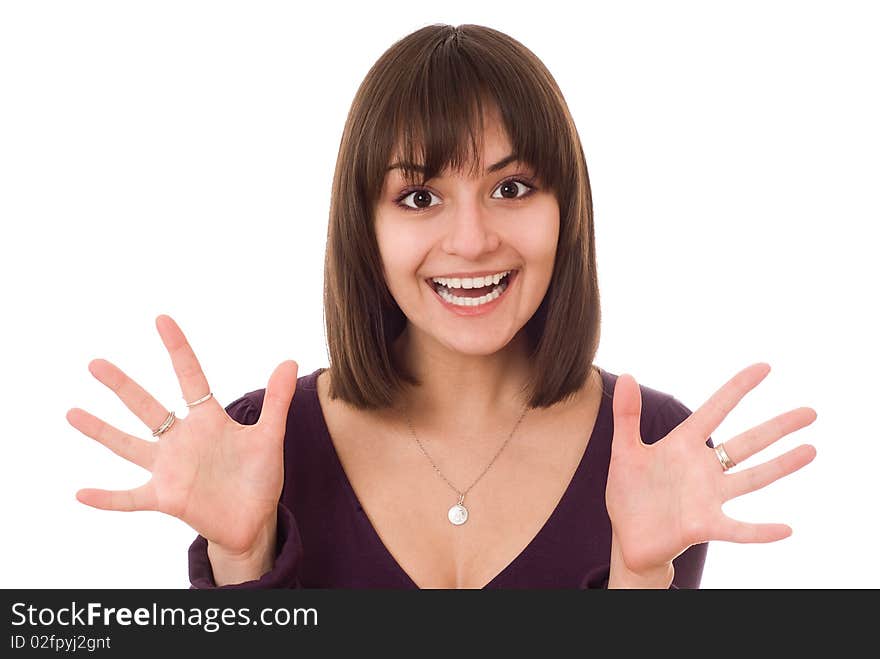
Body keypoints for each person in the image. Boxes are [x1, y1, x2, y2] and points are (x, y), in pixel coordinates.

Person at [67, 23, 817, 589]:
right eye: (420, 196)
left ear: (568, 210)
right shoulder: (262, 442)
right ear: (367, 226)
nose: (472, 239)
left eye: (512, 188)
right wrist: (241, 559)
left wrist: (640, 579)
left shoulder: (654, 444)